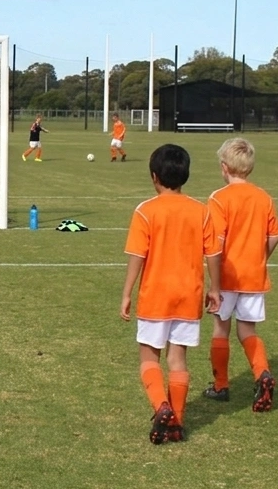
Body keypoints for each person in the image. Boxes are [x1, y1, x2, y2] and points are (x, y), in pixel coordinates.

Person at [120, 144, 222, 444]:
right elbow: (213, 253)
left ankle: (161, 406)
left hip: (155, 296)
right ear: (185, 176)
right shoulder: (201, 211)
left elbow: (137, 255)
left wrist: (126, 293)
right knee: (178, 359)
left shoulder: (146, 211)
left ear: (154, 177)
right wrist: (215, 288)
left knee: (148, 358)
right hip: (188, 296)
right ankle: (176, 422)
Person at [203, 138, 278, 412]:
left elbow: (217, 243)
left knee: (220, 328)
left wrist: (214, 280)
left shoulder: (219, 198)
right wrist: (260, 259)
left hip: (227, 276)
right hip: (254, 276)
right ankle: (262, 373)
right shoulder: (264, 197)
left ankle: (221, 385)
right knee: (247, 330)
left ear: (224, 168)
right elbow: (274, 236)